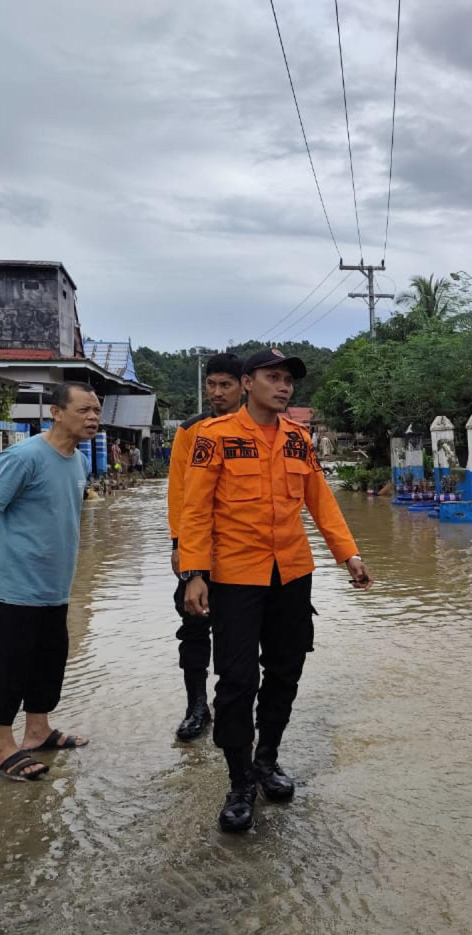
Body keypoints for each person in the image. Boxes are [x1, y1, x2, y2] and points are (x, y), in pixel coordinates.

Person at [180, 348, 373, 833]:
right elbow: (195, 509)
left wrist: (348, 553)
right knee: (236, 681)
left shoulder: (298, 440)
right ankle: (239, 781)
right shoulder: (213, 439)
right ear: (247, 383)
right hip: (234, 577)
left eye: (288, 379)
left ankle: (267, 761)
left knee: (285, 672)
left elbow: (321, 501)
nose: (284, 386)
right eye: (273, 377)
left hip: (290, 574)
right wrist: (194, 572)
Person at [0, 383, 101, 781]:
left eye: (96, 411)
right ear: (56, 412)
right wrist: (0, 542)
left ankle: (37, 731)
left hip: (53, 585)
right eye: (84, 410)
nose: (92, 418)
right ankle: (1, 750)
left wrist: (2, 536)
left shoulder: (78, 460)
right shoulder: (24, 456)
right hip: (13, 584)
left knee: (48, 659)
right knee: (4, 664)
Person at [165, 353, 244, 742]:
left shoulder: (257, 427)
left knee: (241, 632)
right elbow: (179, 492)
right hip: (198, 550)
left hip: (242, 552)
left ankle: (236, 706)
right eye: (211, 385)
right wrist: (179, 545)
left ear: (244, 385)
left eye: (225, 385)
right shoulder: (190, 430)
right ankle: (197, 706)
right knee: (193, 627)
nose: (216, 392)